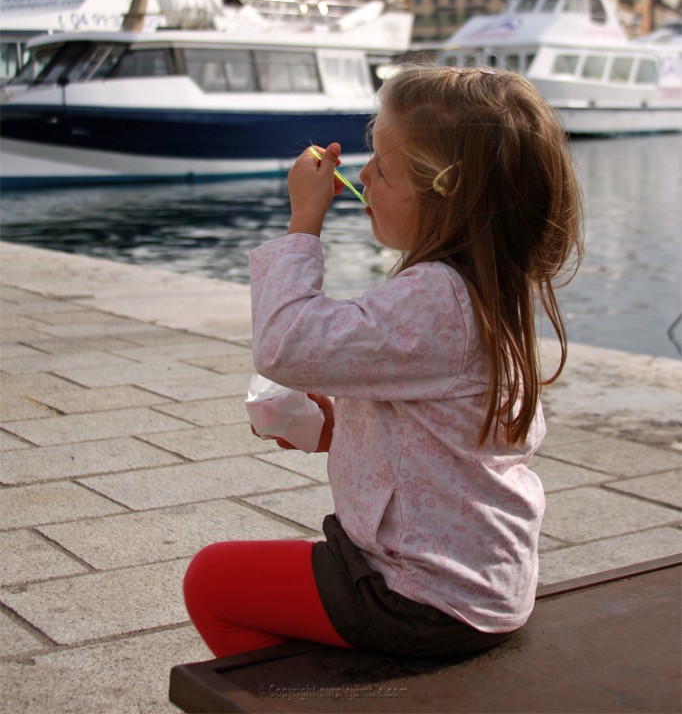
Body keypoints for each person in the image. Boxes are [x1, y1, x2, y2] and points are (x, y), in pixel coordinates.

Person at [183, 65, 583, 659]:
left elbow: (285, 344)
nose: (362, 176)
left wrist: (303, 223)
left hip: (422, 595)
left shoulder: (436, 301)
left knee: (213, 580)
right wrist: (339, 429)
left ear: (447, 195)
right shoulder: (484, 287)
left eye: (383, 168)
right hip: (476, 581)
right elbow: (448, 432)